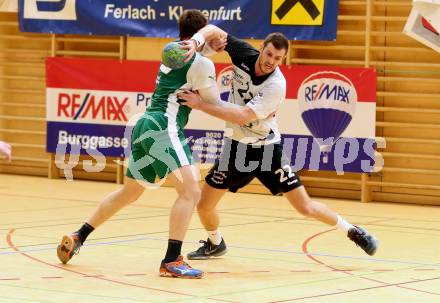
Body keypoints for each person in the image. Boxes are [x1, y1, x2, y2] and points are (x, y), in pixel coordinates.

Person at [177, 25, 379, 260]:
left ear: (283, 59)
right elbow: (212, 29)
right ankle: (215, 242)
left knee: (305, 207)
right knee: (203, 205)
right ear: (261, 48)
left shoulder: (276, 85)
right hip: (236, 148)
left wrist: (200, 104)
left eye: (278, 58)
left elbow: (243, 116)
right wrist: (196, 41)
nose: (271, 61)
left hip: (267, 150)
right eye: (269, 54)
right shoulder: (242, 52)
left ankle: (353, 231)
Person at [56, 10, 225, 279]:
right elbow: (215, 102)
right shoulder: (202, 64)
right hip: (165, 126)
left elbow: (196, 61)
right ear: (201, 34)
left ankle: (80, 235)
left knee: (129, 193)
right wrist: (250, 110)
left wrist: (210, 50)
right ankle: (172, 260)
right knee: (191, 193)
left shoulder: (172, 54)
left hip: (145, 124)